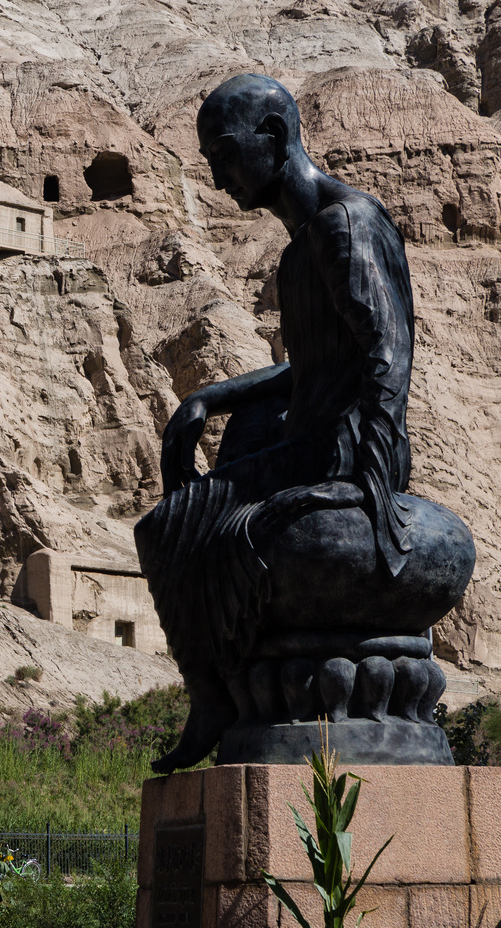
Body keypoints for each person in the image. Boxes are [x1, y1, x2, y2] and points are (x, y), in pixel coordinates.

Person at [139, 73, 424, 772]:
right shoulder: (303, 246)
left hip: (346, 450)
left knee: (167, 527)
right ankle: (216, 691)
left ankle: (210, 695)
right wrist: (209, 398)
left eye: (224, 154)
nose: (218, 177)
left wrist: (373, 489)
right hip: (316, 437)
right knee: (209, 473)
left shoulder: (343, 223)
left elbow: (386, 354)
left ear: (272, 138)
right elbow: (312, 367)